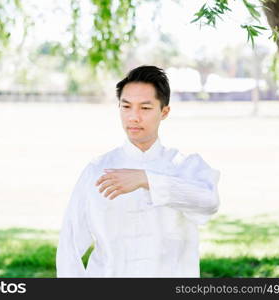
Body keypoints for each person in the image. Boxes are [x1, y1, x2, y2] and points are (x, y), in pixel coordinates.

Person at [56, 65, 220, 277]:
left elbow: (209, 202)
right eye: (126, 107)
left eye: (145, 108)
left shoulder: (184, 166)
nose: (133, 117)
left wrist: (147, 180)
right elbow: (70, 244)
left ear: (164, 112)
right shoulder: (97, 170)